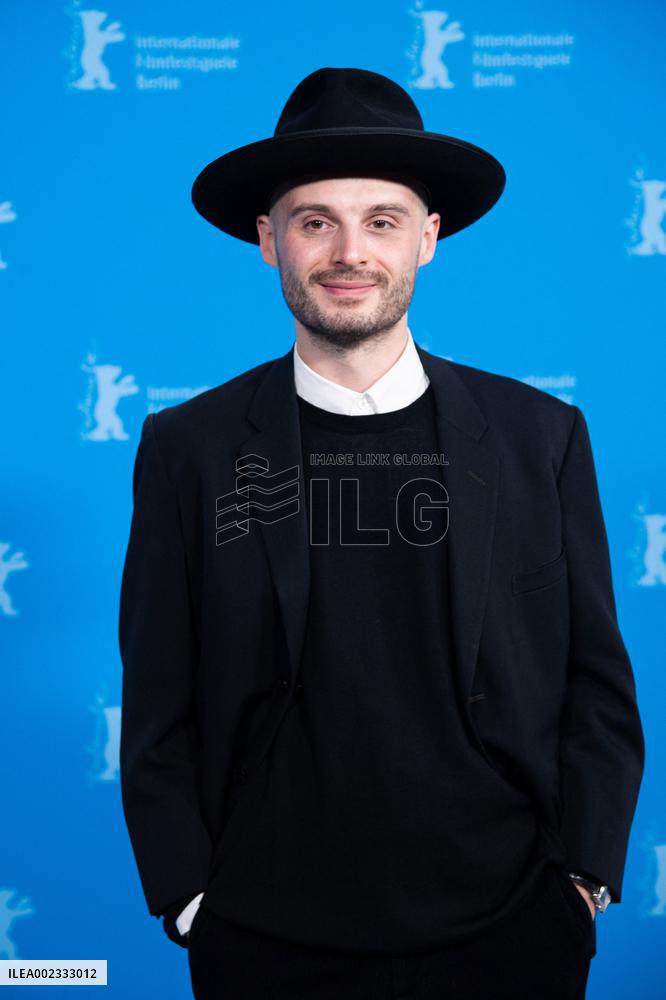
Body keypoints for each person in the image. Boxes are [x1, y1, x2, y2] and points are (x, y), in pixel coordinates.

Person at [118, 67, 645, 999]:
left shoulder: (540, 437)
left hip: (514, 929)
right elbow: (159, 695)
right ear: (268, 240)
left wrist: (584, 877)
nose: (348, 250)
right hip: (263, 936)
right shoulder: (187, 448)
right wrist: (190, 893)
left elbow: (595, 680)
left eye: (382, 220)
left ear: (429, 239)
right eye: (316, 220)